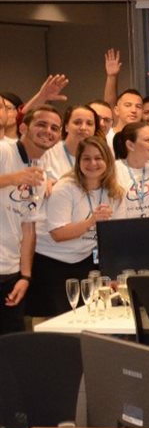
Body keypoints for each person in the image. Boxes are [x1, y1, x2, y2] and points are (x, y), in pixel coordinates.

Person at [30, 136, 123, 318]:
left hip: (83, 260)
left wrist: (112, 273)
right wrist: (91, 222)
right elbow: (58, 233)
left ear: (108, 161)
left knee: (84, 317)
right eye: (86, 158)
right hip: (51, 262)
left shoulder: (114, 192)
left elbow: (114, 237)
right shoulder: (66, 188)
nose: (92, 163)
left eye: (98, 158)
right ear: (78, 161)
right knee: (55, 324)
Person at [0, 105, 60, 333]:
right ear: (24, 127)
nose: (48, 131)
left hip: (11, 273)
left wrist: (25, 276)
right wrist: (10, 178)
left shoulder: (41, 173)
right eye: (41, 124)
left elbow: (28, 229)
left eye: (55, 128)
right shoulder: (4, 151)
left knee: (10, 348)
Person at [40, 105, 98, 184]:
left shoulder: (99, 158)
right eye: (77, 122)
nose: (84, 128)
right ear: (66, 127)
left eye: (89, 123)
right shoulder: (48, 152)